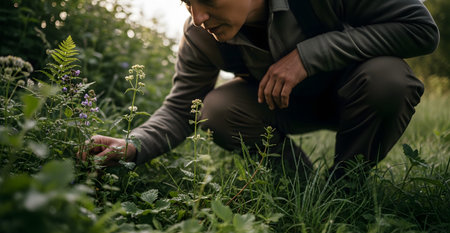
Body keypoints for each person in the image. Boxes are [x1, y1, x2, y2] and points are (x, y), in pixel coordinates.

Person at [86, 0, 439, 180]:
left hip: (357, 95)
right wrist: (135, 145)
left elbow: (421, 28)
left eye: (207, 0)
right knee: (215, 108)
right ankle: (303, 187)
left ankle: (347, 189)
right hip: (283, 107)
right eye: (188, 3)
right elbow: (183, 108)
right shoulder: (199, 35)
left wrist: (307, 56)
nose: (198, 17)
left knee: (389, 79)